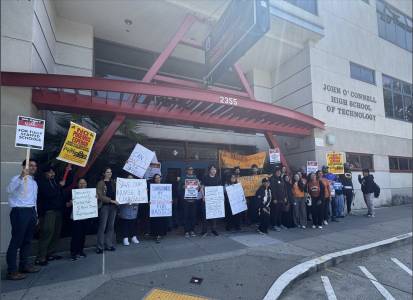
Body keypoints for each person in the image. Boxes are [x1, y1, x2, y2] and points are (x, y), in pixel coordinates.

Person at [6, 159, 39, 280]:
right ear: (24, 166)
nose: (33, 168)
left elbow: (33, 199)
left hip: (31, 212)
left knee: (27, 241)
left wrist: (35, 214)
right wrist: (21, 176)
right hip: (20, 211)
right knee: (16, 242)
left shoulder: (34, 182)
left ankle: (24, 265)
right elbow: (9, 190)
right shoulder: (17, 178)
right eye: (30, 165)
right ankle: (11, 271)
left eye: (35, 166)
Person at [35, 164, 73, 266]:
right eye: (50, 172)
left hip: (58, 211)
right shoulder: (41, 183)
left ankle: (50, 253)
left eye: (53, 172)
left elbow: (68, 182)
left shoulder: (56, 181)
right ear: (45, 173)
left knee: (56, 234)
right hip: (49, 212)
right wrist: (60, 185)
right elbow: (49, 193)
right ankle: (40, 257)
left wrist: (69, 172)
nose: (53, 174)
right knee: (47, 233)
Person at [66, 178, 97, 260]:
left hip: (86, 218)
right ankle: (73, 252)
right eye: (81, 183)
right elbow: (66, 205)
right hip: (76, 218)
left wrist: (95, 198)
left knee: (83, 235)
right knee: (76, 235)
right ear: (77, 184)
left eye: (84, 183)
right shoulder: (73, 193)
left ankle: (80, 251)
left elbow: (93, 204)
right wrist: (70, 203)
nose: (83, 185)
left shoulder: (90, 193)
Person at [96, 167, 119, 254]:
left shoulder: (114, 182)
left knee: (111, 226)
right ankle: (99, 247)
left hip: (113, 207)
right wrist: (112, 200)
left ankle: (108, 245)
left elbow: (122, 191)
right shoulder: (100, 183)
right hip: (104, 207)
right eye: (107, 172)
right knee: (102, 227)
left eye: (110, 172)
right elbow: (100, 196)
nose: (109, 174)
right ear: (104, 173)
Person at [200, 164, 222, 237]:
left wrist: (221, 197)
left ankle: (214, 230)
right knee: (205, 216)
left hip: (215, 200)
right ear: (209, 170)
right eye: (212, 169)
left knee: (214, 215)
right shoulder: (205, 177)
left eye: (215, 169)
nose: (214, 170)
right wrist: (203, 196)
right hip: (206, 199)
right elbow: (202, 188)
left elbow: (219, 189)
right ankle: (204, 231)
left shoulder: (218, 178)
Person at [118, 174, 140, 246]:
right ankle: (125, 238)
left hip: (133, 208)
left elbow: (140, 196)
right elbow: (119, 197)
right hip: (125, 207)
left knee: (133, 223)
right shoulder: (122, 187)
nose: (130, 180)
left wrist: (143, 190)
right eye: (128, 178)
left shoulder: (137, 187)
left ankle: (133, 237)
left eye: (131, 178)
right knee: (125, 224)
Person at [177, 165, 199, 238]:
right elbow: (178, 188)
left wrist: (198, 188)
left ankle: (192, 230)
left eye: (192, 169)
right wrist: (182, 187)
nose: (190, 170)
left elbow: (198, 188)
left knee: (193, 216)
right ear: (186, 171)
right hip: (186, 200)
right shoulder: (183, 178)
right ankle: (186, 231)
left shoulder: (195, 178)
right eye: (189, 169)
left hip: (194, 200)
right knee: (186, 216)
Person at [149, 174, 170, 243]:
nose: (157, 179)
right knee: (155, 221)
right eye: (156, 178)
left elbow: (168, 196)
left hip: (163, 208)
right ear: (154, 179)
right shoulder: (152, 187)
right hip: (155, 207)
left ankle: (160, 234)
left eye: (158, 178)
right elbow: (149, 197)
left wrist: (170, 201)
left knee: (162, 221)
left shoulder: (165, 186)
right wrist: (149, 202)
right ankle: (155, 234)